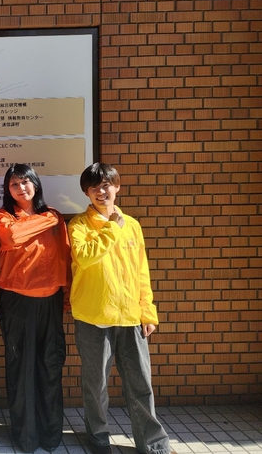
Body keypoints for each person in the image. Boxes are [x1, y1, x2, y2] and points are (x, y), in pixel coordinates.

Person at [69, 163, 175, 454]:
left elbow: (142, 271)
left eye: (106, 185)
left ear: (117, 187)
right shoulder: (78, 225)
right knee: (96, 384)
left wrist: (147, 312)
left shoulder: (133, 225)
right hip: (93, 316)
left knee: (140, 383)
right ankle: (98, 436)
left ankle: (153, 443)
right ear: (86, 193)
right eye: (94, 188)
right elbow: (84, 257)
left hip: (130, 316)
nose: (101, 192)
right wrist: (111, 229)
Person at [0, 164, 71, 453]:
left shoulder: (55, 216)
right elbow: (13, 236)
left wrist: (66, 295)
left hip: (50, 301)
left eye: (25, 182)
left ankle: (51, 434)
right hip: (18, 302)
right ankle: (25, 436)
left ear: (35, 184)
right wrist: (47, 219)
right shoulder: (3, 216)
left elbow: (65, 256)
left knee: (50, 365)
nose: (21, 188)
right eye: (14, 184)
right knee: (21, 368)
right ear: (8, 189)